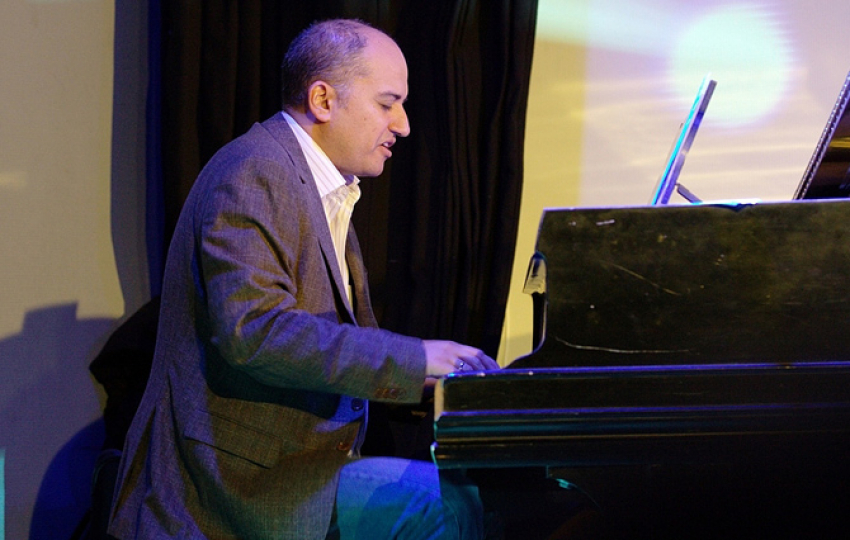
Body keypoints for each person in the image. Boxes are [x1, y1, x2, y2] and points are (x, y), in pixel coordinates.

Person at [107, 18, 499, 540]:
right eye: (388, 104)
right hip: (231, 485)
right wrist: (415, 357)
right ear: (322, 99)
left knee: (467, 496)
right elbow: (255, 331)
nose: (403, 125)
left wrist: (427, 382)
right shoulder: (255, 171)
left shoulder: (322, 185)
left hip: (292, 464)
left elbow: (327, 345)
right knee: (445, 508)